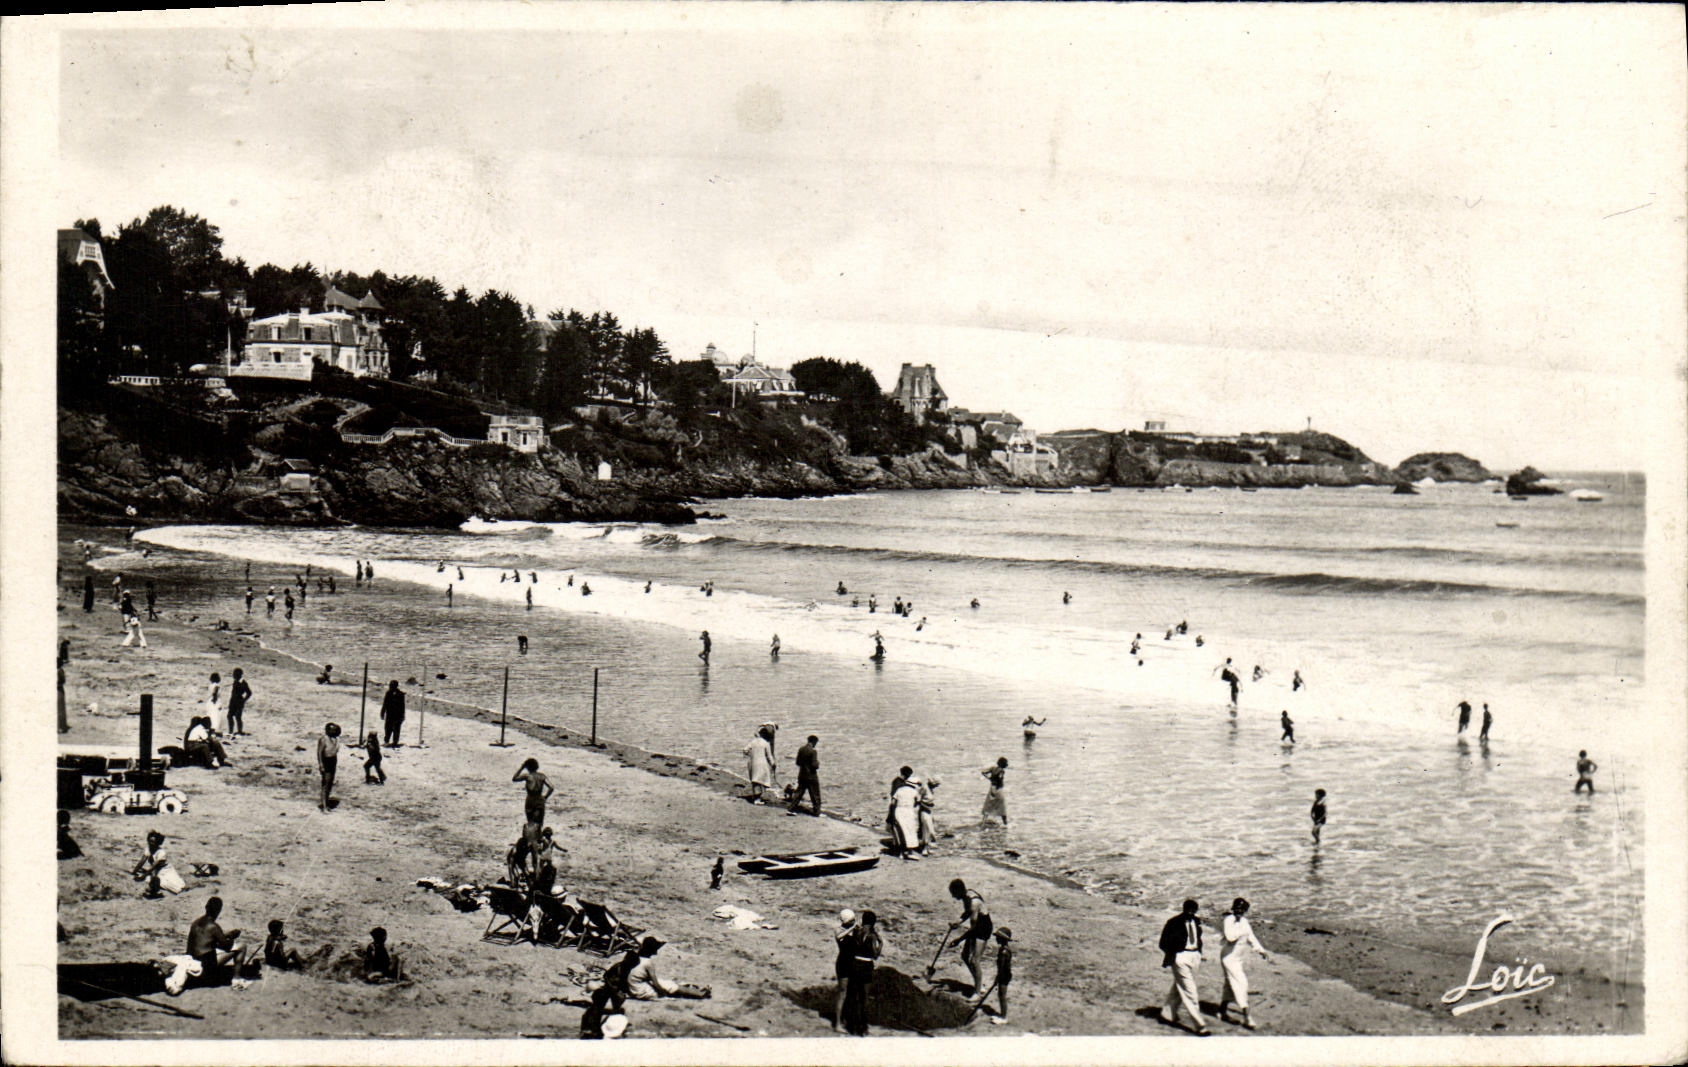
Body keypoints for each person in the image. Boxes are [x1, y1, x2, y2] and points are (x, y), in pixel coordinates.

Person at [1158, 899, 1211, 1035]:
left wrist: (1199, 952)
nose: (1191, 913)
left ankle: (1166, 1014)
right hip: (1180, 958)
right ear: (1183, 909)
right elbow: (1163, 942)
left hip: (1194, 957)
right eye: (1188, 910)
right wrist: (1175, 954)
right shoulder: (1174, 922)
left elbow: (1198, 939)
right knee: (1190, 991)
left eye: (1193, 911)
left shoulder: (1196, 921)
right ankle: (1200, 1026)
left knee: (1179, 987)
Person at [1218, 897, 1271, 1029]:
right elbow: (1230, 937)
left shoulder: (1245, 922)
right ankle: (1247, 1017)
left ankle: (1221, 1011)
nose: (1239, 912)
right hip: (1228, 957)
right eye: (1237, 909)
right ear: (1233, 908)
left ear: (1245, 911)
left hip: (1237, 958)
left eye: (1242, 910)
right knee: (1242, 984)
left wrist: (1261, 950)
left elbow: (1251, 937)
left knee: (1230, 985)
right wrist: (1239, 926)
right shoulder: (1228, 920)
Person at [187, 897, 252, 986]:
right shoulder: (213, 926)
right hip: (206, 966)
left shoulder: (196, 922)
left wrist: (227, 935)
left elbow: (208, 940)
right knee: (241, 946)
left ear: (206, 907)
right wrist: (231, 937)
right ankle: (237, 979)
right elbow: (227, 946)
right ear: (219, 910)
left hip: (192, 959)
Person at [943, 879, 992, 995]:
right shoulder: (966, 896)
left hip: (983, 928)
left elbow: (973, 929)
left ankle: (978, 992)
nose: (953, 897)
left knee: (975, 961)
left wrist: (959, 940)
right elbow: (967, 913)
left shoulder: (974, 902)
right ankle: (979, 982)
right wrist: (958, 922)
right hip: (976, 927)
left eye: (954, 894)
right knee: (965, 956)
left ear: (959, 891)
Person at [626, 935, 709, 1000]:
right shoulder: (648, 963)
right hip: (641, 992)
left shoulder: (635, 958)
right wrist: (663, 993)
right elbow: (655, 983)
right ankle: (700, 993)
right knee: (671, 986)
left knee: (666, 983)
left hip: (633, 989)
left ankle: (693, 990)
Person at [841, 911, 882, 1036]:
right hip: (866, 966)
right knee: (864, 998)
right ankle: (862, 1026)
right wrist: (881, 944)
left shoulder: (856, 932)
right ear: (873, 922)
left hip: (855, 964)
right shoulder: (873, 936)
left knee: (853, 995)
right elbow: (875, 955)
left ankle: (850, 1024)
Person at [133, 830, 186, 897]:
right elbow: (142, 861)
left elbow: (153, 867)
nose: (151, 843)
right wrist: (134, 871)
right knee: (150, 879)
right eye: (149, 841)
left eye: (153, 842)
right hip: (156, 870)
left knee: (174, 886)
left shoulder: (161, 853)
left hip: (166, 870)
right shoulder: (148, 849)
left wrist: (143, 877)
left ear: (157, 843)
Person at [832, 909, 857, 1031]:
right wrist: (853, 929)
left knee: (850, 993)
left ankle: (845, 1019)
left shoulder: (854, 930)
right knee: (842, 992)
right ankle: (837, 1023)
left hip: (853, 963)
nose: (854, 922)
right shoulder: (839, 930)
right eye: (851, 921)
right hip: (843, 963)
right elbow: (840, 937)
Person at [513, 758, 555, 826]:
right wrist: (545, 797)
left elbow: (514, 778)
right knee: (539, 823)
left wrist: (521, 768)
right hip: (539, 799)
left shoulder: (527, 776)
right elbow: (551, 787)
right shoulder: (542, 776)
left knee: (530, 822)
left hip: (530, 799)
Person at [890, 774, 922, 859]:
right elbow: (918, 802)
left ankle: (901, 852)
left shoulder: (899, 790)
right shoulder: (914, 792)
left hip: (899, 810)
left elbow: (893, 803)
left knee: (900, 831)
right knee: (910, 831)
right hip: (908, 811)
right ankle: (910, 851)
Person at [985, 927, 1013, 1023]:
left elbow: (1002, 967)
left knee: (1002, 995)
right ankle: (1002, 1014)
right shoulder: (1004, 949)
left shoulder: (1004, 952)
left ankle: (1003, 1017)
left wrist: (998, 978)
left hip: (1004, 975)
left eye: (998, 937)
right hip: (1004, 974)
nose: (996, 939)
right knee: (1001, 995)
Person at [788, 734, 821, 816]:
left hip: (802, 774)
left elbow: (797, 762)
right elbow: (815, 765)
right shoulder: (813, 751)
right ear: (814, 742)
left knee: (799, 793)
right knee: (815, 794)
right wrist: (818, 763)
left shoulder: (801, 749)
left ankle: (791, 809)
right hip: (811, 776)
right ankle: (816, 812)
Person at [744, 724, 777, 803]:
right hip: (762, 763)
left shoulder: (753, 742)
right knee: (761, 780)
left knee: (755, 780)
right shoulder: (766, 743)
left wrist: (750, 754)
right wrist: (773, 764)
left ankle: (756, 797)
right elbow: (769, 756)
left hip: (752, 762)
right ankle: (757, 799)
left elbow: (745, 750)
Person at [317, 722, 342, 812]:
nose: (334, 731)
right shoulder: (324, 739)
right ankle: (324, 806)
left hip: (333, 761)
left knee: (330, 783)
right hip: (326, 761)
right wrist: (321, 765)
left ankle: (327, 804)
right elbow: (319, 752)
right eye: (332, 730)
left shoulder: (336, 739)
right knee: (325, 784)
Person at [980, 757, 1009, 826]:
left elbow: (983, 772)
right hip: (998, 790)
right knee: (1002, 808)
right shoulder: (1001, 771)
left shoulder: (993, 768)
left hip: (992, 789)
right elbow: (999, 778)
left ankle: (983, 823)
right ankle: (1005, 824)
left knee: (988, 806)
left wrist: (989, 778)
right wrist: (995, 780)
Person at [916, 776, 942, 855]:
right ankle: (924, 848)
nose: (937, 786)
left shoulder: (930, 789)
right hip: (924, 811)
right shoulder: (924, 788)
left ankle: (926, 847)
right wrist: (927, 807)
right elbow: (918, 800)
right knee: (927, 830)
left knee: (929, 830)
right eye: (936, 784)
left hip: (929, 811)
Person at [380, 680, 407, 747]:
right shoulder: (388, 693)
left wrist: (403, 715)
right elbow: (385, 704)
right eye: (390, 686)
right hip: (389, 714)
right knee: (388, 728)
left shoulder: (400, 694)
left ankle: (395, 742)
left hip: (397, 715)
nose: (390, 687)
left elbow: (402, 706)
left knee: (396, 729)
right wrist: (382, 712)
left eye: (392, 686)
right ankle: (386, 741)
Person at [227, 668, 252, 736]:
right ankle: (231, 731)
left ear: (239, 675)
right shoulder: (236, 681)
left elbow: (249, 693)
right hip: (233, 701)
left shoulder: (244, 683)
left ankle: (239, 731)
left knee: (238, 717)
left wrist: (243, 700)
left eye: (235, 675)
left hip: (239, 702)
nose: (233, 676)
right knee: (230, 716)